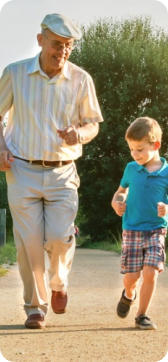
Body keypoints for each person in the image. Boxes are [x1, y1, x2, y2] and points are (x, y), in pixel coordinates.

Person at [0, 13, 103, 329]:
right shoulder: (14, 74)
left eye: (68, 46)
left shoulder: (80, 79)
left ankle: (59, 283)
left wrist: (80, 134)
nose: (63, 51)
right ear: (40, 40)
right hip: (22, 170)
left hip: (62, 173)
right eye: (57, 44)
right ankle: (35, 308)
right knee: (28, 242)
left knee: (59, 238)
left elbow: (92, 124)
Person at [111, 117, 168, 330]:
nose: (135, 155)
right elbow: (120, 192)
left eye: (140, 150)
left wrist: (167, 208)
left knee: (151, 272)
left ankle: (142, 315)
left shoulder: (166, 173)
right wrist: (118, 203)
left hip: (156, 229)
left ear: (156, 145)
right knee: (132, 277)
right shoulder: (131, 169)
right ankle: (128, 294)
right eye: (132, 150)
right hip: (132, 229)